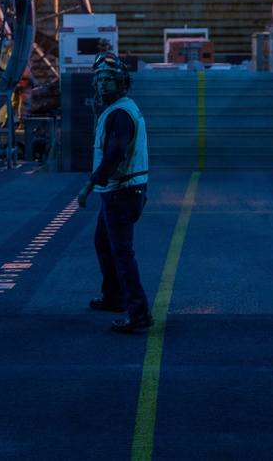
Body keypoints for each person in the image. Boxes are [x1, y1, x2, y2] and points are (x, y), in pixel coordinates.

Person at [77, 52, 152, 334]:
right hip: (117, 191)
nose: (104, 84)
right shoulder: (115, 110)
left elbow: (114, 155)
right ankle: (114, 297)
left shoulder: (121, 114)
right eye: (100, 79)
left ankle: (138, 312)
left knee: (122, 252)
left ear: (122, 83)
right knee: (104, 242)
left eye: (110, 79)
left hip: (122, 192)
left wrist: (89, 185)